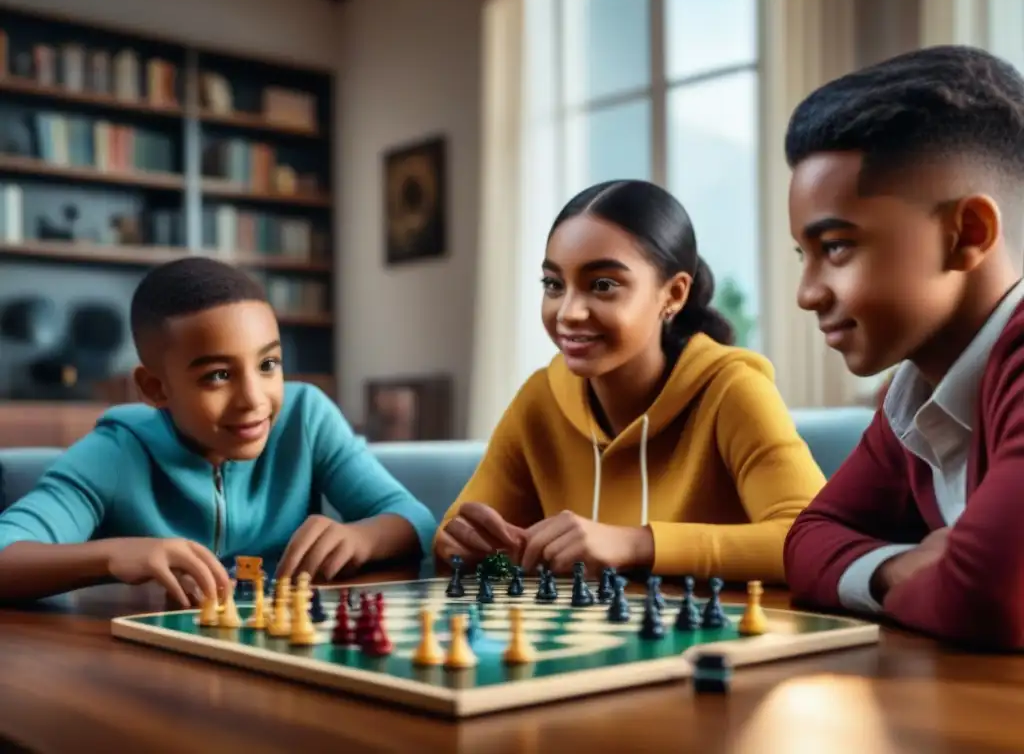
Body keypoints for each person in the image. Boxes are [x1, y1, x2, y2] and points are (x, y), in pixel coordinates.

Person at [434, 179, 826, 583]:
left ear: (673, 294)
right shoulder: (540, 399)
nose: (568, 312)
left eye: (602, 285)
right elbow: (453, 546)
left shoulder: (732, 390)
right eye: (553, 284)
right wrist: (493, 555)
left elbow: (816, 542)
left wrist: (636, 544)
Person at [0, 258, 437, 605]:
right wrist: (115, 556)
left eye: (268, 365)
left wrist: (361, 536)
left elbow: (414, 519)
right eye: (218, 376)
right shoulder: (115, 452)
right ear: (156, 387)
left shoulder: (307, 416)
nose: (253, 399)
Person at [782, 45, 1024, 648]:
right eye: (803, 256)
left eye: (836, 247)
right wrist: (898, 568)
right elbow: (809, 537)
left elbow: (989, 596)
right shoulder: (917, 397)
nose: (807, 294)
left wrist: (947, 577)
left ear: (966, 234)